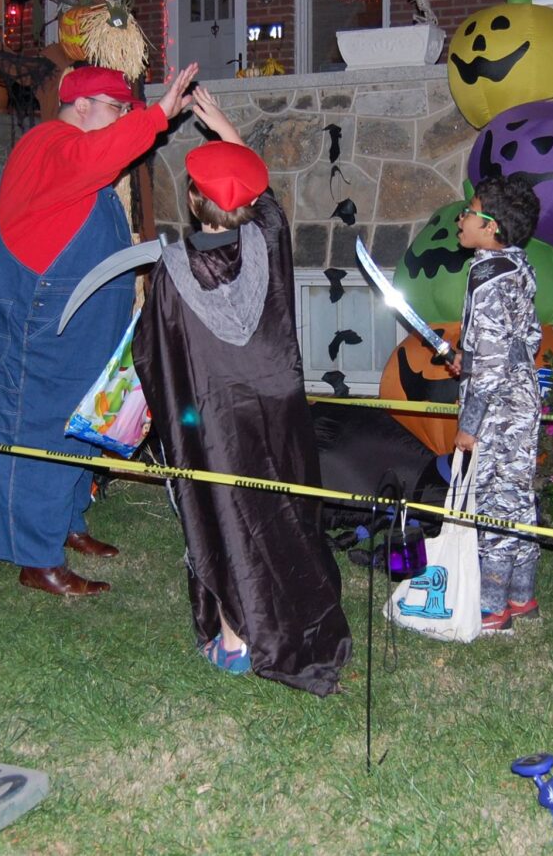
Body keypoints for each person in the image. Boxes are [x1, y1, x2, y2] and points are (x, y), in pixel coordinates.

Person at [130, 90, 351, 695]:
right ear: (250, 206)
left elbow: (153, 355)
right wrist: (226, 129)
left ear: (193, 200)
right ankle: (303, 605)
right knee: (284, 505)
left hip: (217, 423)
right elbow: (268, 200)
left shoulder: (171, 273)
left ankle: (235, 636)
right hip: (279, 409)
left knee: (229, 515)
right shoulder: (267, 242)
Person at [0, 62, 199, 597]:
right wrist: (159, 116)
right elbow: (97, 155)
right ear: (84, 106)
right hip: (41, 330)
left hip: (82, 328)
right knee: (43, 432)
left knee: (80, 426)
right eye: (117, 110)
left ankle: (67, 523)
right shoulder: (50, 143)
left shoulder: (80, 160)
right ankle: (37, 558)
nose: (122, 123)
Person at [448, 175, 543, 635]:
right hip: (523, 393)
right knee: (517, 499)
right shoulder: (519, 264)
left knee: (493, 504)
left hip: (499, 408)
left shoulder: (486, 272)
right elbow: (521, 340)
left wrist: (470, 424)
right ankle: (522, 597)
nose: (461, 219)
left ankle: (491, 608)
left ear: (493, 227)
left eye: (469, 212)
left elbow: (490, 364)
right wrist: (468, 358)